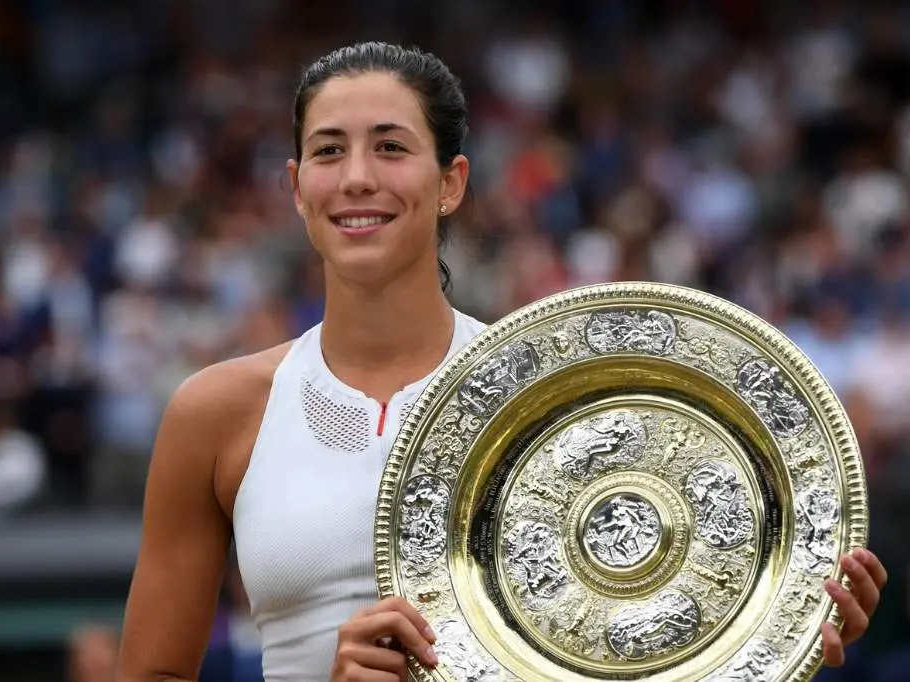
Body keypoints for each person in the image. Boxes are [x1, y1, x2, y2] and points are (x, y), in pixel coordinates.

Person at [114, 42, 887, 682]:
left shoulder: (558, 397)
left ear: (451, 183)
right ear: (296, 188)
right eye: (327, 151)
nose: (356, 177)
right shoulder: (215, 413)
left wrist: (773, 637)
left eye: (391, 146)